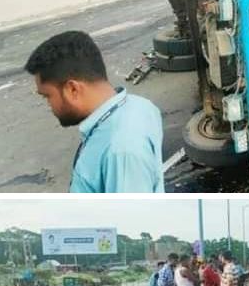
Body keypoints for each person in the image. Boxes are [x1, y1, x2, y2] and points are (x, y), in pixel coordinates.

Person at [24, 31, 165, 193]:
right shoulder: (139, 106)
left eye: (47, 96)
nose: (49, 105)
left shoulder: (120, 151)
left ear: (73, 89)